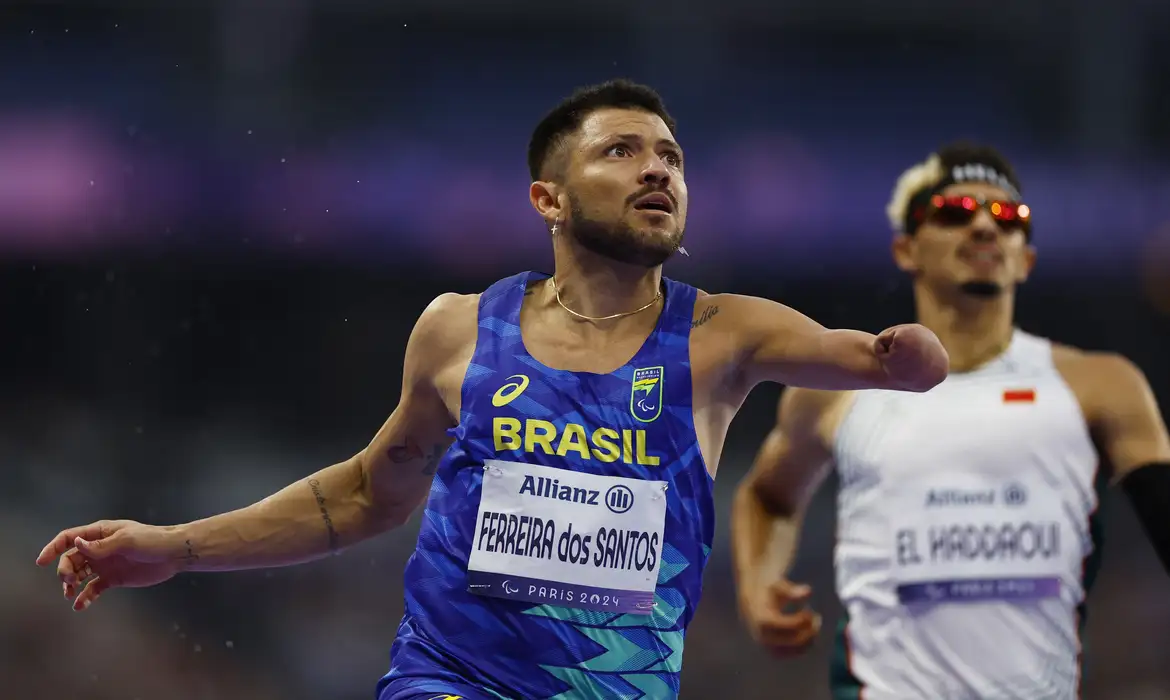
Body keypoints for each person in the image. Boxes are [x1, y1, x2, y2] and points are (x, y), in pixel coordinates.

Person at [35, 80, 949, 700]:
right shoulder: (461, 330)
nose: (658, 169)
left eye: (670, 156)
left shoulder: (724, 335)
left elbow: (875, 360)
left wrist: (905, 359)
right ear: (548, 200)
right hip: (450, 677)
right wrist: (177, 548)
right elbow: (364, 494)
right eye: (623, 152)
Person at [731, 142, 1170, 700]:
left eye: (1010, 218)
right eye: (957, 212)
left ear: (1026, 259)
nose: (986, 225)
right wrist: (758, 583)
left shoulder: (1102, 388)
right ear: (906, 249)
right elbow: (769, 497)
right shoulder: (835, 393)